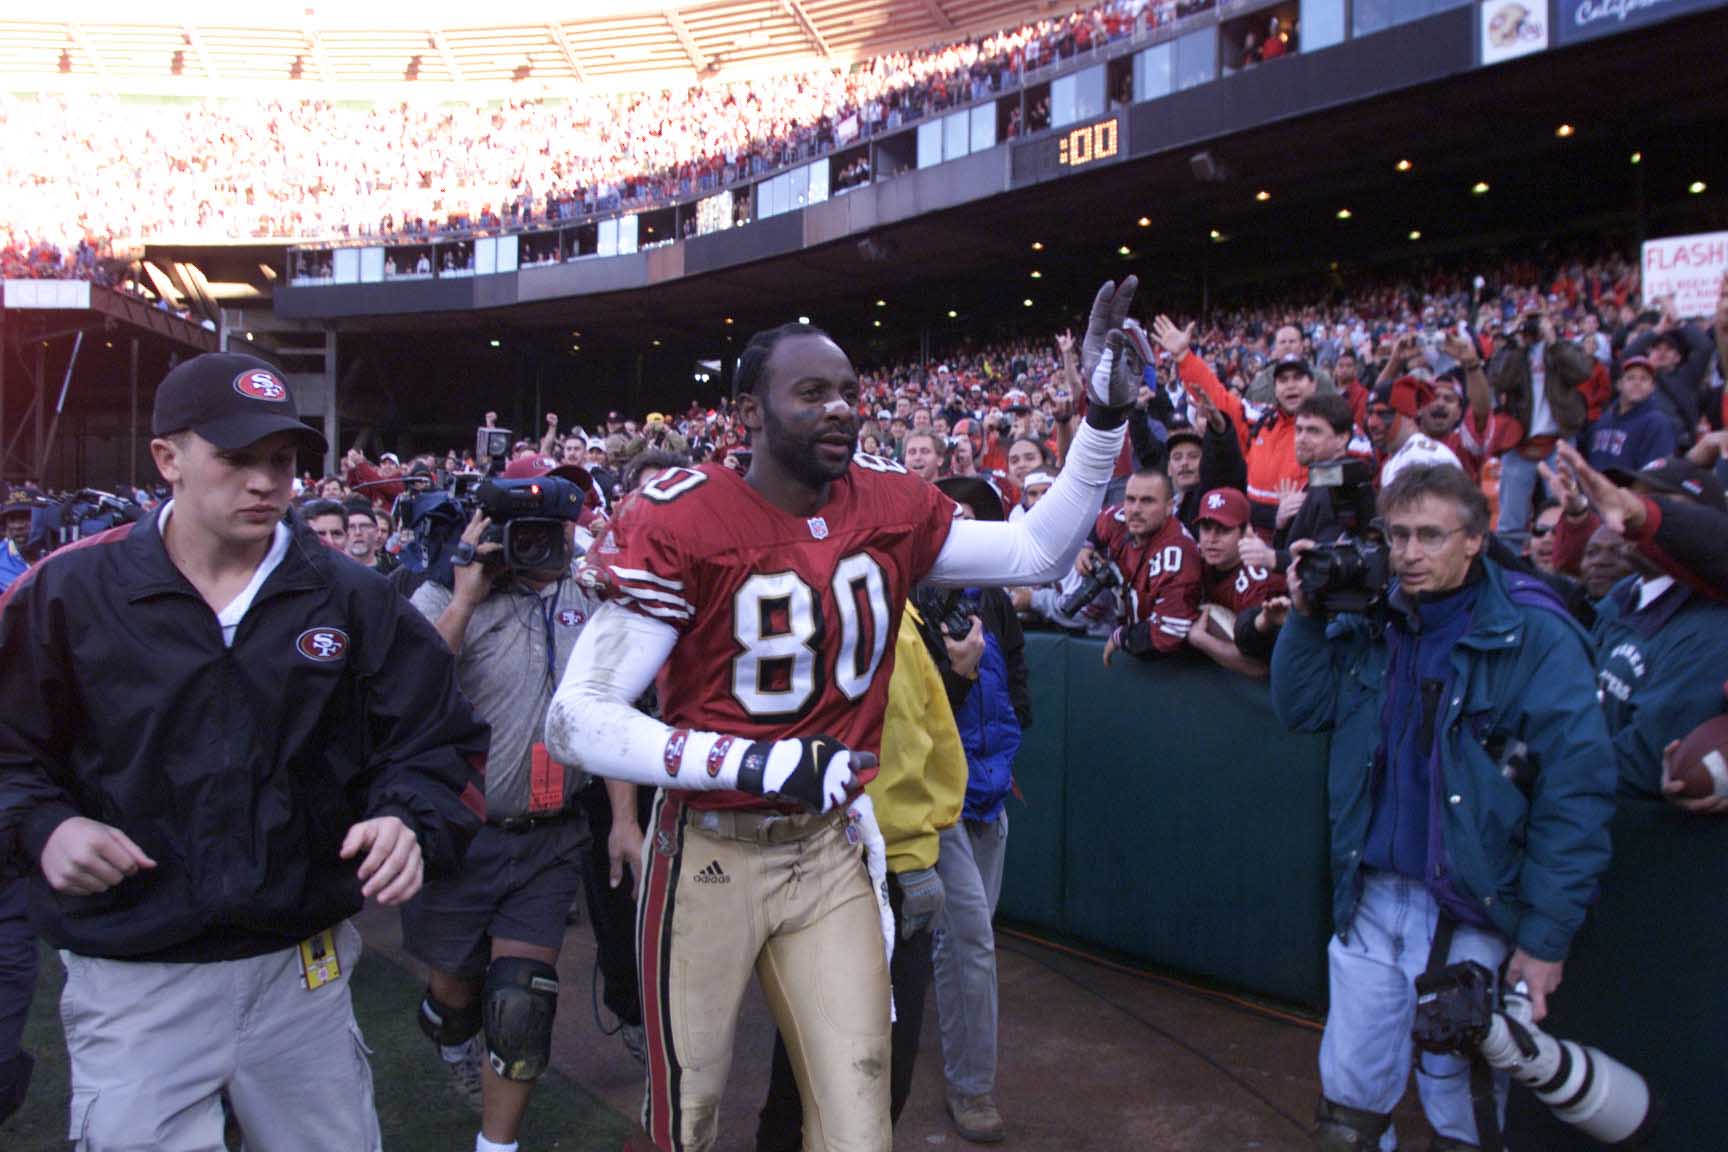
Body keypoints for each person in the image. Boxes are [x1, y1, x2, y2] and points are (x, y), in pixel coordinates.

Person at [545, 277, 1144, 1152]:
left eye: (851, 392)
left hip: (830, 847)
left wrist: (1102, 420)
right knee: (689, 1112)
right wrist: (751, 763)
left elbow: (1038, 552)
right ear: (750, 411)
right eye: (812, 392)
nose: (841, 410)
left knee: (859, 1118)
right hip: (713, 845)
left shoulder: (889, 503)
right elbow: (577, 718)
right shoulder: (686, 516)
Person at [0, 352, 488, 1151]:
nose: (267, 482)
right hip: (136, 975)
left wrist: (408, 817)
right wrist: (45, 826)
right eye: (236, 458)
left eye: (282, 460)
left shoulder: (353, 596)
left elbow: (439, 738)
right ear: (168, 458)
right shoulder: (67, 592)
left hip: (301, 971)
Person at [1271, 463, 1615, 1152]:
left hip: (1471, 905)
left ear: (1476, 541)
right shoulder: (1375, 614)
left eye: (1430, 535)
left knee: (1457, 1104)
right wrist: (1306, 619)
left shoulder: (1536, 634)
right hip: (1370, 894)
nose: (1408, 553)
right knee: (1349, 1106)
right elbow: (1301, 707)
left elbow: (1574, 796)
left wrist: (1546, 938)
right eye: (1397, 535)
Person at [405, 451, 596, 1152]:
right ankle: (449, 1032)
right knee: (457, 995)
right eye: (530, 531)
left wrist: (627, 819)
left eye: (557, 530)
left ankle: (497, 1147)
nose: (546, 545)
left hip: (549, 836)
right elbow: (408, 691)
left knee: (520, 1002)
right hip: (461, 834)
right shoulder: (447, 593)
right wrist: (464, 595)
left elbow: (615, 703)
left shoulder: (591, 594)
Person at [754, 598, 967, 1151]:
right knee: (849, 1078)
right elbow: (896, 752)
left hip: (859, 860)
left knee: (823, 1069)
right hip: (857, 863)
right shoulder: (869, 610)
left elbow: (934, 738)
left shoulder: (899, 608)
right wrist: (914, 851)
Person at [929, 475, 1031, 1145]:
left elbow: (1017, 678)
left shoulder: (993, 601)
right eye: (949, 521)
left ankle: (926, 1034)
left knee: (962, 937)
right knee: (971, 940)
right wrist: (958, 675)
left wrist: (1011, 746)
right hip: (935, 796)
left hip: (990, 789)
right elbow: (915, 711)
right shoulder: (911, 600)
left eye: (971, 520)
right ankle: (971, 1086)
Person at [1586, 457, 1728, 797]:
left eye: (1657, 501)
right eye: (1629, 497)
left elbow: (1646, 758)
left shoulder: (1710, 626)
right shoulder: (1621, 597)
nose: (1628, 514)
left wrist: (1549, 765)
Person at [1092, 468, 1203, 664]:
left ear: (1170, 507)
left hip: (1171, 668)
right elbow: (1092, 521)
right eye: (1130, 499)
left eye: (1147, 501)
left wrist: (1121, 637)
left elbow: (1168, 634)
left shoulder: (1176, 554)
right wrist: (1087, 546)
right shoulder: (1120, 520)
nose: (1135, 509)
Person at [1189, 487, 1284, 676]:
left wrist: (1201, 640)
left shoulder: (1258, 580)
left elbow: (1261, 668)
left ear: (1245, 533)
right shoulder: (1198, 560)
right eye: (1206, 528)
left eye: (1223, 530)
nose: (1211, 539)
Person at [1585, 356, 1676, 474]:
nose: (1637, 383)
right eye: (1630, 378)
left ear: (1652, 387)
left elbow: (1657, 474)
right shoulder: (1603, 420)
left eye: (1644, 379)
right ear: (1619, 384)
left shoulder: (1657, 423)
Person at [1368, 376, 1461, 487]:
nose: (1372, 423)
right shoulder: (1393, 461)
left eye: (1382, 414)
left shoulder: (1425, 458)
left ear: (1407, 415)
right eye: (1369, 414)